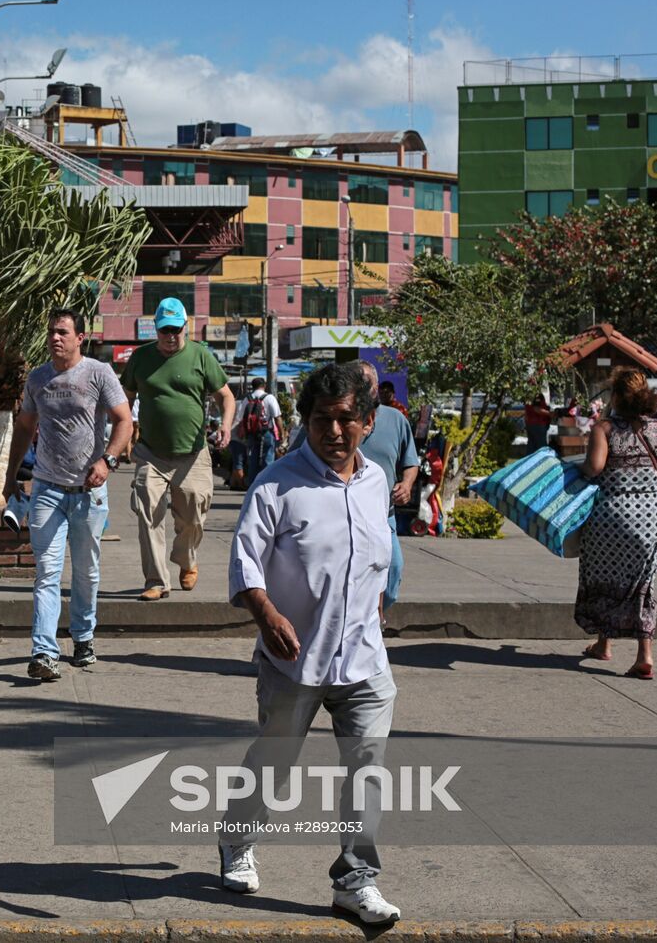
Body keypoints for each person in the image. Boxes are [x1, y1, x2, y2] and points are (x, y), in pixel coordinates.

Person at [222, 361, 401, 925]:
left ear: (368, 422)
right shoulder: (276, 483)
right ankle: (237, 836)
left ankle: (355, 880)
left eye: (346, 419)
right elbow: (244, 561)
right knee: (275, 763)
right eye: (323, 419)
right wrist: (267, 613)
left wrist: (377, 605)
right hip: (293, 659)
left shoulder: (376, 483)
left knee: (367, 768)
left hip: (365, 661)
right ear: (306, 422)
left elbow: (376, 557)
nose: (334, 431)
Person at [2, 309, 132, 681]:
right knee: (46, 572)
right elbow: (25, 425)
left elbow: (124, 420)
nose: (55, 338)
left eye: (62, 332)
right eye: (51, 332)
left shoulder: (98, 373)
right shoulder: (39, 378)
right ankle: (44, 653)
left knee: (86, 572)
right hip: (47, 489)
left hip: (89, 492)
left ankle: (84, 636)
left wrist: (106, 461)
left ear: (80, 338)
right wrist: (12, 476)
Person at [120, 297, 235, 600]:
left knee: (194, 513)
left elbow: (226, 396)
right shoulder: (141, 358)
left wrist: (226, 425)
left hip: (193, 453)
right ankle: (156, 580)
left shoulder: (201, 356)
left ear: (186, 326)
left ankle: (187, 560)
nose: (170, 337)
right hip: (151, 452)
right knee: (146, 508)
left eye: (175, 330)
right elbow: (126, 398)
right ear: (155, 330)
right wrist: (123, 432)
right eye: (164, 331)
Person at [576, 367, 657, 679]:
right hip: (652, 516)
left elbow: (594, 468)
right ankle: (644, 654)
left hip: (612, 517)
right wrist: (645, 495)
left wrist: (579, 471)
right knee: (644, 584)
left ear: (616, 396)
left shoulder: (604, 429)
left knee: (604, 575)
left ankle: (603, 643)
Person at [356, 362, 418, 607]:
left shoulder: (396, 419)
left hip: (384, 515)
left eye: (366, 384)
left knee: (393, 568)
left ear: (376, 387)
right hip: (345, 513)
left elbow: (410, 462)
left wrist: (406, 483)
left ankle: (377, 615)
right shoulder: (338, 418)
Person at [238, 376, 282, 488]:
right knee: (268, 459)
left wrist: (242, 434)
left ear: (252, 386)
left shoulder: (247, 399)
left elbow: (240, 418)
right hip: (266, 433)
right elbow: (277, 417)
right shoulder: (269, 398)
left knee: (253, 460)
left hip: (252, 434)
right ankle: (267, 486)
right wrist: (281, 433)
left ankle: (253, 486)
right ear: (264, 385)